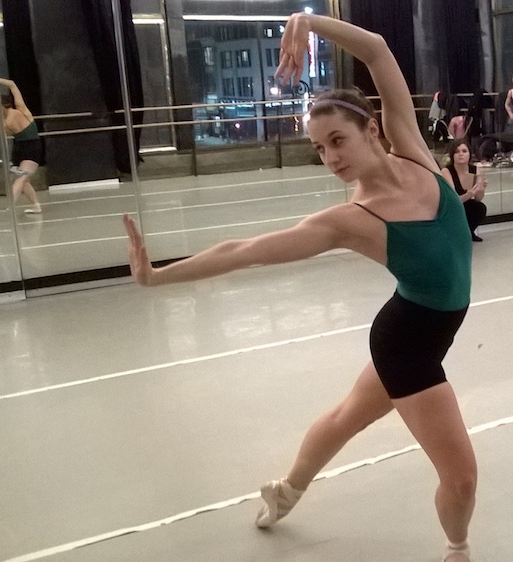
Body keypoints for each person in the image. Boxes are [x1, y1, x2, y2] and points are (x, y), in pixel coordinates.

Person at [123, 13, 477, 562]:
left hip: (418, 328)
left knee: (344, 419)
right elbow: (244, 251)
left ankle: (286, 491)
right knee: (461, 480)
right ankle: (458, 548)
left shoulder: (414, 150)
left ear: (373, 130)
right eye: (319, 148)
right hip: (410, 342)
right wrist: (157, 276)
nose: (331, 157)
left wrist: (307, 21)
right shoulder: (351, 219)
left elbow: (379, 51)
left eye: (337, 139)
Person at [0, 75, 43, 214]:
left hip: (32, 148)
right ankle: (36, 206)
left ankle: (10, 207)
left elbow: (12, 84)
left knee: (21, 178)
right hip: (19, 149)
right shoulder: (1, 120)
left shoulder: (21, 109)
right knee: (23, 181)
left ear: (2, 105)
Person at [442, 138, 488, 242]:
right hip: (452, 205)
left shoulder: (475, 169)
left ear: (469, 154)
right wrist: (470, 193)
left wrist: (481, 188)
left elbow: (478, 199)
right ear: (452, 156)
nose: (461, 154)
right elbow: (453, 201)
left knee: (479, 208)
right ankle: (457, 233)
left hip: (465, 204)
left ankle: (469, 232)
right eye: (457, 152)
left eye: (464, 151)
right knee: (458, 209)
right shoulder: (447, 171)